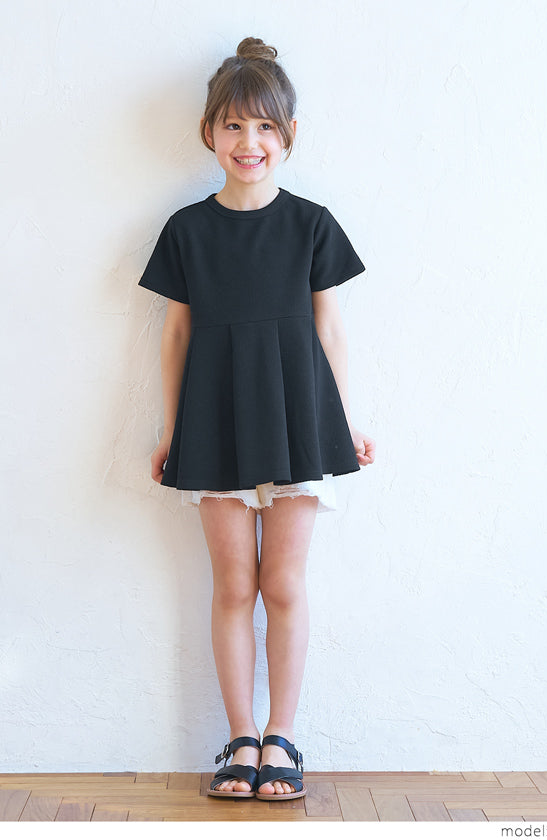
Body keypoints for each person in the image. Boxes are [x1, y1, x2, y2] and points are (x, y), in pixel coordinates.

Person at [138, 37, 375, 801]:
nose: (250, 142)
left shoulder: (312, 225)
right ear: (210, 132)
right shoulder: (187, 230)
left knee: (284, 583)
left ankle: (282, 736)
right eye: (235, 125)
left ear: (289, 133)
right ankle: (240, 738)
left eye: (266, 126)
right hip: (215, 420)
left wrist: (344, 422)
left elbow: (329, 329)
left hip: (300, 419)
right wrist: (173, 430)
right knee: (234, 584)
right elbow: (177, 335)